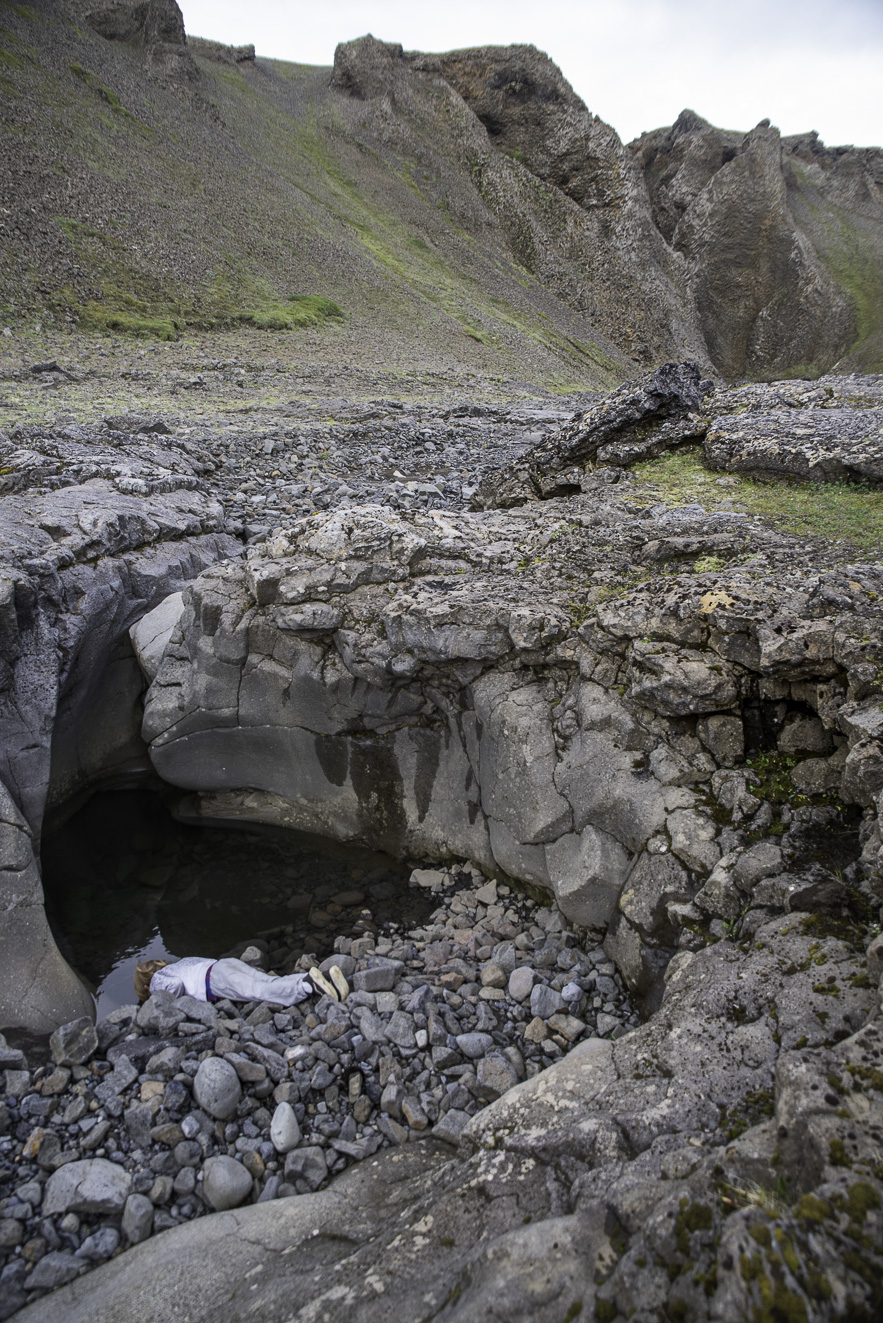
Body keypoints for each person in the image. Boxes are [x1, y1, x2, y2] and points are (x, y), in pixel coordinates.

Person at [134, 956, 349, 1006]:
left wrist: (170, 1005)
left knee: (261, 991)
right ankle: (324, 978)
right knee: (266, 982)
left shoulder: (157, 982)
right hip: (222, 965)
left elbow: (176, 987)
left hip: (214, 981)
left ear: (145, 985)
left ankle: (307, 986)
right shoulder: (178, 964)